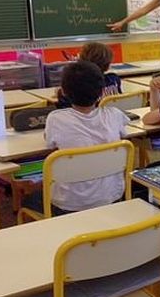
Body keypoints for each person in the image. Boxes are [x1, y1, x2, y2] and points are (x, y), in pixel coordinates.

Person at [40, 61, 129, 214]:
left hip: (69, 203)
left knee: (29, 198)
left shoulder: (56, 119)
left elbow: (49, 143)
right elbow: (125, 134)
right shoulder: (114, 115)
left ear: (64, 92)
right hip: (112, 196)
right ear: (102, 91)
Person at [56, 42, 121, 109]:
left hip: (83, 118)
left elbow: (65, 109)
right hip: (110, 117)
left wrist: (61, 94)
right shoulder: (114, 80)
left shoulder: (78, 86)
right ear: (107, 66)